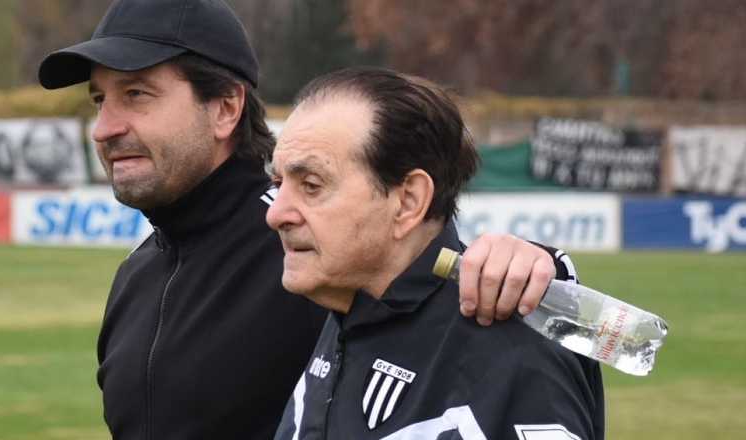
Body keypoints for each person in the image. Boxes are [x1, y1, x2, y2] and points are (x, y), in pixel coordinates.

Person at [37, 0, 580, 437]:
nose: (104, 127)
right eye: (99, 101)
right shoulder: (137, 275)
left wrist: (536, 268)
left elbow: (424, 271)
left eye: (136, 95)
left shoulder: (310, 250)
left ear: (226, 107)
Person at [267, 67, 604, 440]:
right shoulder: (347, 311)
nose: (275, 213)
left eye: (311, 185)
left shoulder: (510, 352)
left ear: (408, 201)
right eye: (279, 183)